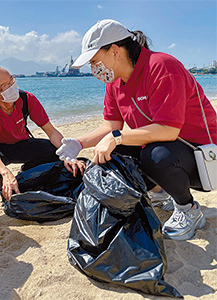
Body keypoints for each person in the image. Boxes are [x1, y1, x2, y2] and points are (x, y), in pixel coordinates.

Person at [57, 19, 217, 241]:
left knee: (155, 155)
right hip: (172, 151)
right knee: (114, 156)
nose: (93, 68)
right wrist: (79, 143)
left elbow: (168, 130)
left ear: (114, 51)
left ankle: (188, 210)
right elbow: (111, 126)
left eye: (95, 61)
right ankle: (160, 193)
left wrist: (116, 138)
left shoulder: (162, 66)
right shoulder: (114, 82)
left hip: (204, 158)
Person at [0, 65, 64, 200]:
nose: (11, 86)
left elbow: (51, 131)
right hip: (1, 148)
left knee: (56, 151)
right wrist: (5, 173)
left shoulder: (27, 99)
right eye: (4, 86)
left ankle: (26, 171)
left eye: (11, 80)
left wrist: (68, 154)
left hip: (24, 143)